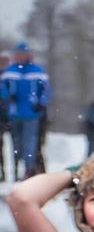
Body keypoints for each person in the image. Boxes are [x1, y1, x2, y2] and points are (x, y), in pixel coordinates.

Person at [0, 42, 50, 179]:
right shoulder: (10, 71)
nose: (20, 56)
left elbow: (46, 90)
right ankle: (15, 171)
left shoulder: (37, 71)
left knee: (30, 144)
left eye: (23, 54)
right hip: (14, 114)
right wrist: (7, 95)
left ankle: (28, 171)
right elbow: (2, 88)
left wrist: (41, 103)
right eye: (18, 54)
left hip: (32, 114)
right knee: (16, 144)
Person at [0, 49, 14, 182]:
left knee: (18, 146)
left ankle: (15, 172)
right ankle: (3, 172)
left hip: (12, 115)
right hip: (3, 116)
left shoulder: (13, 75)